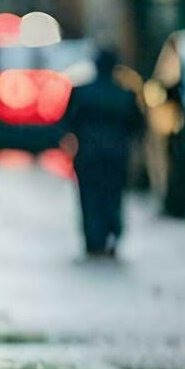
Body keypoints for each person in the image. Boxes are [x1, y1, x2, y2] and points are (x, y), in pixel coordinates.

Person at [64, 48, 144, 258]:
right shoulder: (125, 95)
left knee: (90, 197)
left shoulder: (82, 93)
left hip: (89, 154)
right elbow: (136, 126)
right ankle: (111, 232)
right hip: (116, 154)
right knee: (113, 196)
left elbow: (68, 122)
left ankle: (94, 237)